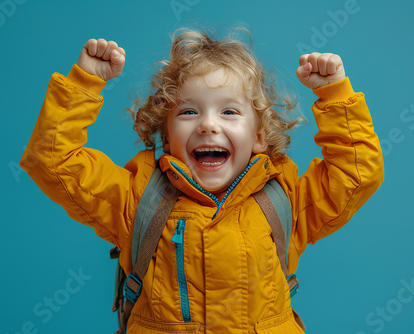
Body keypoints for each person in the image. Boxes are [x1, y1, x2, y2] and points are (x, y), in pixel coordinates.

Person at [20, 28, 384, 333]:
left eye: (229, 111)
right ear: (165, 132)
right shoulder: (136, 198)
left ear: (259, 136)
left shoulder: (284, 198)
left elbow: (357, 173)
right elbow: (53, 160)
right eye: (189, 111)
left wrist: (336, 95)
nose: (209, 125)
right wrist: (84, 82)